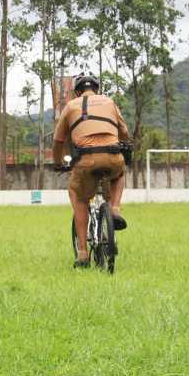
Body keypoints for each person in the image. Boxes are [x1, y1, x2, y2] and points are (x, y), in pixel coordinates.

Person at [52, 72, 131, 268]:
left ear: (77, 92)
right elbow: (125, 133)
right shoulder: (110, 102)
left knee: (78, 195)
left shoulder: (70, 106)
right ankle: (114, 208)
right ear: (97, 90)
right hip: (113, 157)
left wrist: (57, 163)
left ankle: (82, 253)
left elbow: (58, 141)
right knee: (120, 173)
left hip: (86, 161)